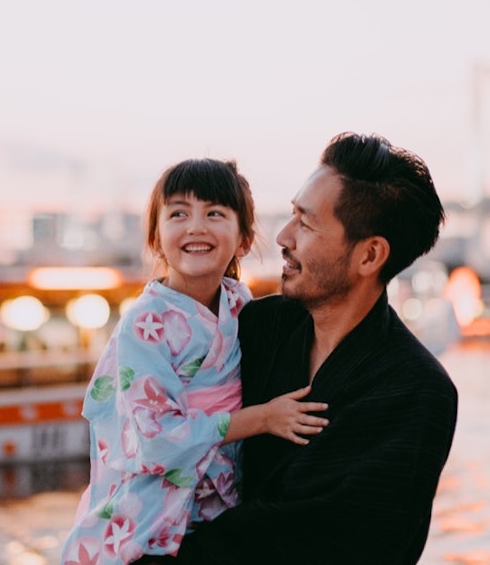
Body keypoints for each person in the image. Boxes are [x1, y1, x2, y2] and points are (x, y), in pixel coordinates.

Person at [149, 131, 459, 565]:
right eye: (292, 214)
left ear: (370, 256)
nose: (283, 236)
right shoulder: (251, 328)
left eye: (306, 224)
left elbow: (316, 541)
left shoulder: (414, 390)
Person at [61, 158, 330, 565]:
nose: (196, 227)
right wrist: (264, 419)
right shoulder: (144, 324)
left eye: (215, 213)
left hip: (215, 518)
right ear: (156, 239)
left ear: (244, 240)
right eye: (178, 214)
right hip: (148, 527)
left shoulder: (240, 305)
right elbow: (157, 438)